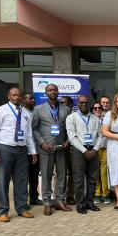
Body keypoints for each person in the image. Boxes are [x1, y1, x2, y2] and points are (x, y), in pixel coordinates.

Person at [0, 87, 37, 222]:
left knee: (22, 180)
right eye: (14, 95)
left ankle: (22, 208)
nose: (17, 97)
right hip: (4, 148)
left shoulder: (26, 113)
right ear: (8, 96)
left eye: (19, 95)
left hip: (22, 150)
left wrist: (33, 151)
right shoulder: (1, 111)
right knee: (3, 181)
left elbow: (29, 134)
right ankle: (3, 211)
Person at [32, 84, 72, 215]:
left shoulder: (66, 109)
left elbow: (70, 128)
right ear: (46, 92)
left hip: (62, 147)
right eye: (50, 90)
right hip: (46, 148)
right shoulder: (38, 109)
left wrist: (68, 141)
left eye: (55, 90)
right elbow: (34, 128)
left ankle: (59, 200)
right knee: (46, 175)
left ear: (58, 92)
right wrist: (42, 143)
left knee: (62, 175)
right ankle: (47, 202)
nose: (53, 92)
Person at [66, 95, 103, 214]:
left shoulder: (95, 118)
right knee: (79, 179)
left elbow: (100, 136)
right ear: (77, 103)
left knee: (93, 179)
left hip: (93, 150)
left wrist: (95, 149)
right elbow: (72, 137)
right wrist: (84, 151)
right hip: (79, 151)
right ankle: (80, 204)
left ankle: (90, 203)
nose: (84, 104)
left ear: (89, 103)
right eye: (81, 103)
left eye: (86, 102)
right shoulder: (71, 118)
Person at [22, 92, 41, 207]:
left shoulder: (36, 112)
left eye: (33, 98)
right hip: (23, 150)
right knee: (24, 177)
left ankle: (34, 198)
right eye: (30, 98)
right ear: (23, 100)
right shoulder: (20, 112)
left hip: (35, 150)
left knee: (34, 176)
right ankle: (23, 201)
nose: (33, 100)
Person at [95, 96, 111, 204]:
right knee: (95, 171)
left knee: (104, 171)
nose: (104, 104)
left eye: (107, 102)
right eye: (103, 102)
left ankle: (106, 193)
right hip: (95, 147)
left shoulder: (111, 116)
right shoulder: (92, 117)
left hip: (107, 147)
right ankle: (97, 193)